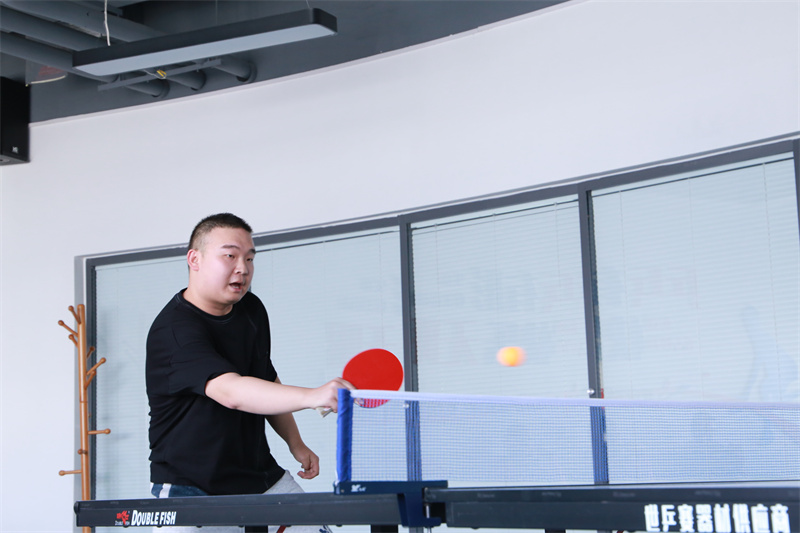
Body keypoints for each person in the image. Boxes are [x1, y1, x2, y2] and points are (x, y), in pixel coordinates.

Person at [146, 213, 351, 532]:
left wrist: (295, 443)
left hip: (259, 476)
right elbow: (232, 392)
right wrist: (313, 396)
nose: (242, 268)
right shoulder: (174, 331)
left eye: (249, 258)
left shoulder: (251, 310)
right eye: (230, 256)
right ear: (194, 259)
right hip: (191, 488)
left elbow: (265, 380)